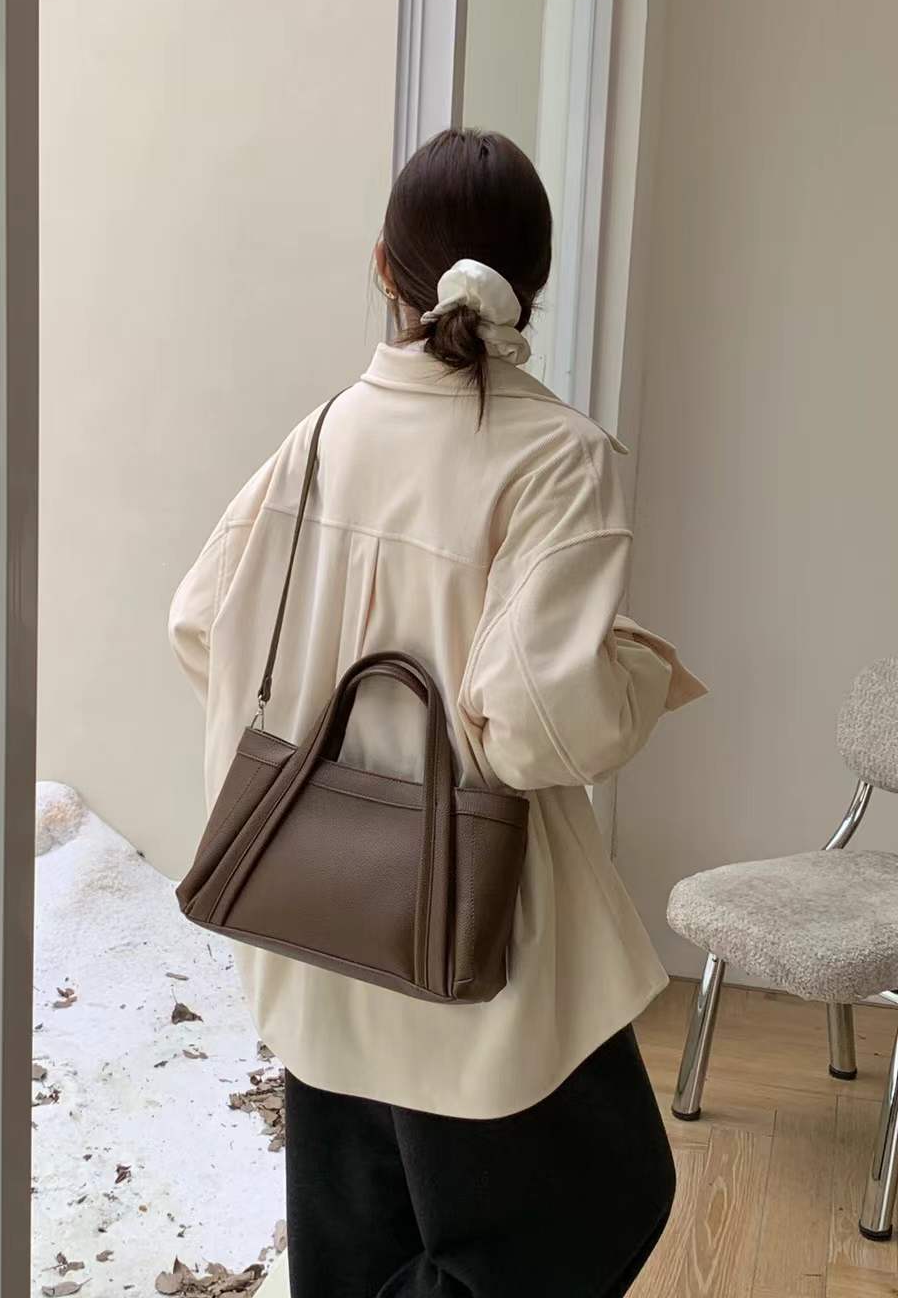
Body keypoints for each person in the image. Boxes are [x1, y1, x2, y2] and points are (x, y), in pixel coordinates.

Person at [169, 128, 706, 1297]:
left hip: (318, 908)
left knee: (355, 1243)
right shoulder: (557, 457)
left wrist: (335, 757)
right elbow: (538, 722)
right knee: (605, 1196)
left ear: (383, 265)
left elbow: (201, 621)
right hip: (478, 931)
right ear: (537, 280)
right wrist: (636, 673)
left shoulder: (321, 437)